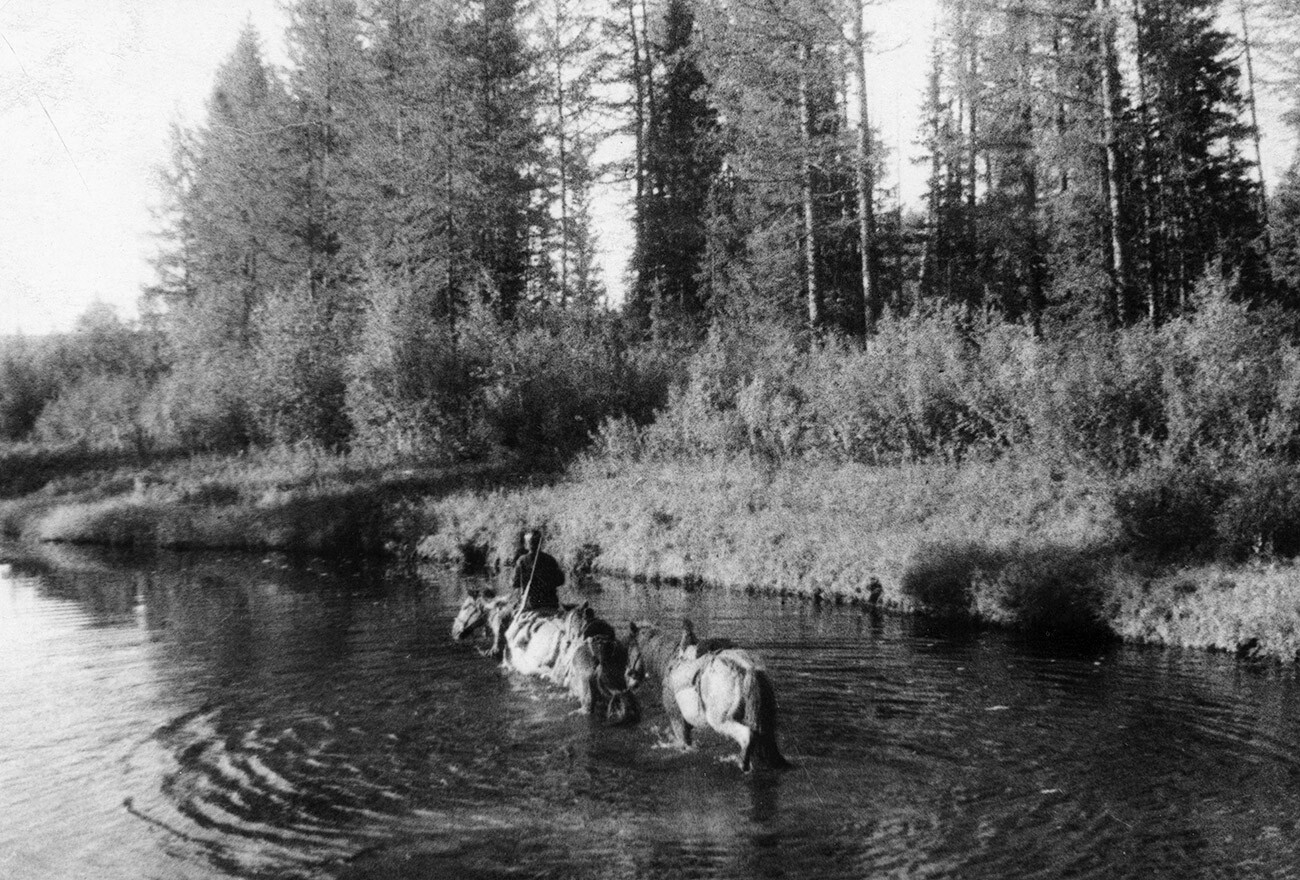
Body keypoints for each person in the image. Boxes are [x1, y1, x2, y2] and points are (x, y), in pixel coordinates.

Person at [512, 528, 565, 612]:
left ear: (527, 544)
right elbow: (561, 581)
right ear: (540, 544)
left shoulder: (521, 561)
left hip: (530, 605)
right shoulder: (550, 559)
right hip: (551, 603)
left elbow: (514, 583)